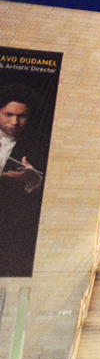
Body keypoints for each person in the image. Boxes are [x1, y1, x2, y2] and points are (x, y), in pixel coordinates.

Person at [0, 84, 48, 277]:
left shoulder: (40, 146)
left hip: (11, 232)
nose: (14, 122)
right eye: (8, 114)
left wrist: (33, 182)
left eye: (22, 117)